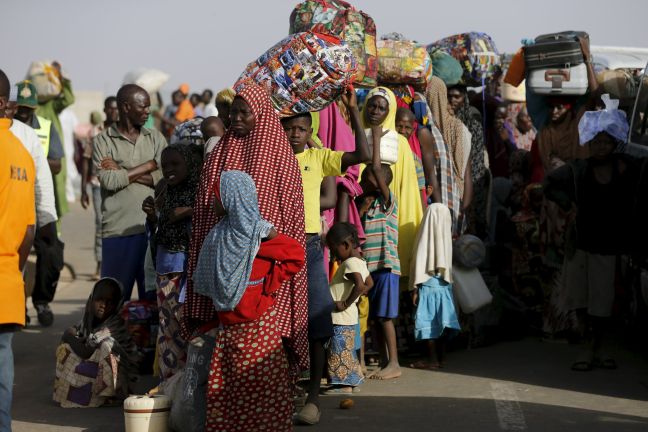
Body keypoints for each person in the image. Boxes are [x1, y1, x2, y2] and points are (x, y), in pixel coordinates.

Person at [182, 83, 309, 372]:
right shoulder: (220, 152)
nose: (236, 118)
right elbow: (207, 204)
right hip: (224, 260)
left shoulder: (280, 155)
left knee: (265, 341)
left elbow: (288, 215)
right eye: (234, 112)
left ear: (261, 114)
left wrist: (270, 272)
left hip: (263, 267)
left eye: (244, 112)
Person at [282, 88, 370, 424]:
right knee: (280, 324)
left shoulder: (317, 158)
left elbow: (361, 153)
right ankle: (283, 389)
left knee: (319, 319)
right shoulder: (272, 159)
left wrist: (353, 110)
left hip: (308, 246)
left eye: (301, 129)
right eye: (289, 128)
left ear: (309, 132)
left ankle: (313, 398)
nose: (295, 134)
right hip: (277, 246)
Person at [192, 170, 305, 431]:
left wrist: (269, 284)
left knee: (260, 390)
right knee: (231, 391)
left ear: (233, 198)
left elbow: (295, 256)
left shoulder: (257, 236)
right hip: (229, 330)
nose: (213, 200)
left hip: (258, 330)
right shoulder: (218, 235)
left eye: (217, 195)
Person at [544, 95, 637, 371]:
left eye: (606, 142)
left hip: (609, 245)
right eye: (597, 142)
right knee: (581, 300)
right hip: (582, 242)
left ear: (614, 144)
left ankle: (601, 347)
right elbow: (550, 183)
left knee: (605, 302)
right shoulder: (579, 169)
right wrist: (567, 203)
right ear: (590, 143)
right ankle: (587, 348)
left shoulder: (626, 168)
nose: (601, 147)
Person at [93, 84, 166, 301]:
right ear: (126, 107)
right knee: (114, 300)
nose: (147, 112)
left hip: (153, 230)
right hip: (118, 231)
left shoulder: (155, 138)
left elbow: (165, 180)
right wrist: (148, 166)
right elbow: (108, 180)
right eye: (143, 107)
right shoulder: (103, 140)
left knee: (152, 301)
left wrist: (123, 172)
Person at [142, 144, 202, 380]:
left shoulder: (198, 194)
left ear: (190, 164)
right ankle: (170, 383)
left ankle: (188, 383)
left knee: (185, 326)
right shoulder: (165, 192)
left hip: (186, 273)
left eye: (176, 164)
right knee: (168, 328)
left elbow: (203, 227)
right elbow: (157, 232)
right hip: (164, 270)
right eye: (165, 165)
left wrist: (188, 213)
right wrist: (152, 216)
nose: (169, 170)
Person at [0, 68, 36, 431]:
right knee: (1, 376)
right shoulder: (22, 155)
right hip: (8, 282)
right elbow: (28, 230)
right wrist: (14, 271)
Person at [12, 80, 65, 326]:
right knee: (14, 255)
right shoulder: (8, 129)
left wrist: (35, 158)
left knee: (52, 253)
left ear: (34, 108)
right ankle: (17, 305)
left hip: (41, 200)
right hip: (14, 201)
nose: (23, 114)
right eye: (19, 108)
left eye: (27, 110)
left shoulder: (45, 127)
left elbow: (57, 164)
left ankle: (42, 302)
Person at [361, 87, 422, 282]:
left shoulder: (400, 144)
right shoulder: (356, 135)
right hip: (362, 214)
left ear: (390, 112)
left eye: (381, 108)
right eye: (372, 106)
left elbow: (409, 191)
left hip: (389, 222)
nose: (376, 112)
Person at [357, 122, 402, 380]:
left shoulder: (388, 202)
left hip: (386, 267)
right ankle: (385, 362)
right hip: (370, 268)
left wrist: (374, 138)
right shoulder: (367, 205)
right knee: (374, 317)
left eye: (368, 178)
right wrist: (361, 210)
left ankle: (394, 363)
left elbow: (375, 167)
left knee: (385, 317)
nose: (364, 181)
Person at [54, 278, 138, 407]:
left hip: (121, 377)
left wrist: (69, 335)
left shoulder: (113, 325)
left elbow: (86, 352)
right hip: (96, 368)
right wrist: (72, 336)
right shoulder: (87, 321)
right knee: (65, 348)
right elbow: (81, 339)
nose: (103, 305)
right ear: (92, 299)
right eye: (100, 300)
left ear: (116, 305)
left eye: (110, 302)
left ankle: (110, 395)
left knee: (107, 344)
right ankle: (67, 392)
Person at [534, 37, 598, 175]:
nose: (555, 111)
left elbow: (595, 95)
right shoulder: (545, 133)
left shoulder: (581, 123)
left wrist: (587, 58)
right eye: (552, 107)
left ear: (569, 108)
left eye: (560, 107)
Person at [410, 203, 461, 369]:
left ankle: (432, 360)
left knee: (429, 324)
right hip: (444, 287)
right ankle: (442, 358)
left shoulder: (424, 238)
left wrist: (415, 288)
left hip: (428, 287)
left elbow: (419, 265)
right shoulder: (446, 238)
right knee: (443, 323)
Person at [324, 223, 372, 396]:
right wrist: (353, 300)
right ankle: (351, 383)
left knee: (339, 350)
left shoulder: (350, 263)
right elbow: (369, 284)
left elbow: (360, 286)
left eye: (334, 250)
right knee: (347, 351)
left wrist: (345, 303)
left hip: (341, 317)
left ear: (345, 245)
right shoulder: (360, 261)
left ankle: (344, 386)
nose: (333, 255)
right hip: (349, 317)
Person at [426, 76, 473, 236]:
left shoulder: (456, 129)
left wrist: (463, 210)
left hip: (453, 201)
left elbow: (465, 173)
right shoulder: (424, 128)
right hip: (447, 202)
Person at [81, 96, 119, 280]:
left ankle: (114, 264)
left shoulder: (122, 132)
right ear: (104, 110)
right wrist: (83, 189)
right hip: (97, 185)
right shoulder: (95, 132)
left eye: (115, 108)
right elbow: (86, 161)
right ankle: (99, 264)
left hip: (118, 184)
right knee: (100, 223)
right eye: (110, 109)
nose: (113, 112)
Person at [35, 61, 75, 222]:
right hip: (33, 154)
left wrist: (63, 79)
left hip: (52, 154)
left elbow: (69, 99)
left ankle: (55, 230)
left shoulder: (52, 104)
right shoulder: (29, 105)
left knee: (56, 191)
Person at [448, 84, 489, 238]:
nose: (452, 100)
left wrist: (469, 188)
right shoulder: (445, 124)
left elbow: (477, 161)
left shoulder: (473, 126)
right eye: (450, 96)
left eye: (456, 96)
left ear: (464, 98)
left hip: (469, 181)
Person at [395, 107, 441, 205]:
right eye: (399, 126)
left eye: (407, 127)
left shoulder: (415, 160)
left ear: (412, 130)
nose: (402, 131)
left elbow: (429, 174)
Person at [59, 107, 80, 203]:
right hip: (57, 148)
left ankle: (70, 195)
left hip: (68, 149)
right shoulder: (54, 113)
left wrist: (76, 150)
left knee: (69, 172)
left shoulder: (70, 114)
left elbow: (75, 134)